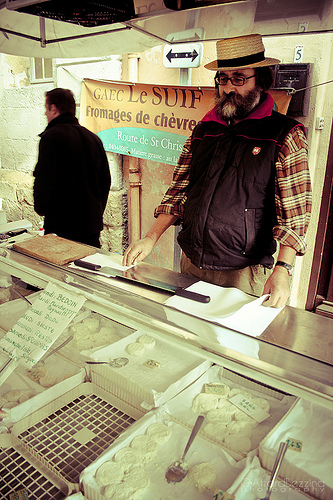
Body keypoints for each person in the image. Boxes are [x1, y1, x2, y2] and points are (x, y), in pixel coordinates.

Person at [123, 34, 312, 307]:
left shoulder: (284, 135)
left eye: (238, 78)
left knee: (233, 346)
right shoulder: (204, 131)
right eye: (222, 79)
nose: (228, 88)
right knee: (187, 334)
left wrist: (283, 269)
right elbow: (180, 192)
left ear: (261, 81)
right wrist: (151, 237)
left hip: (242, 272)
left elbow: (295, 213)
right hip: (191, 261)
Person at [33, 88, 111, 248]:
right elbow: (105, 181)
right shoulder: (93, 138)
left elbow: (45, 179)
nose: (44, 114)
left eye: (45, 109)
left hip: (62, 227)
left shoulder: (51, 137)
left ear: (53, 108)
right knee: (86, 270)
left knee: (59, 272)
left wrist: (40, 207)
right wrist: (95, 212)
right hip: (90, 227)